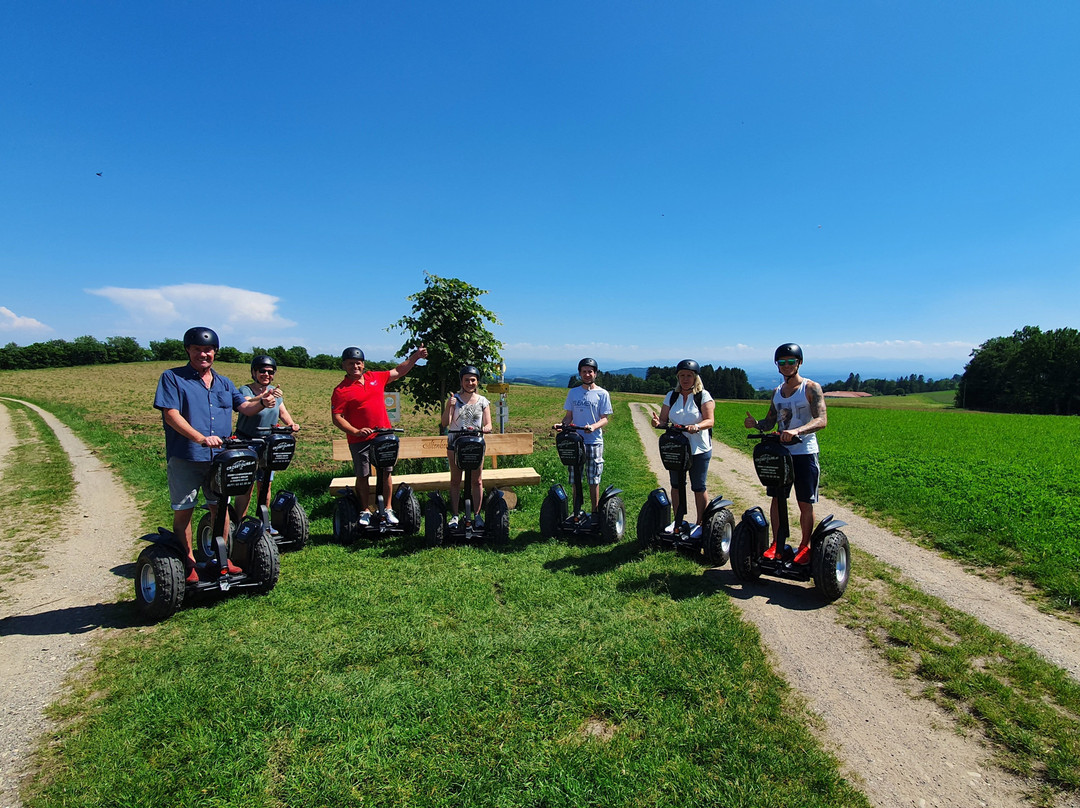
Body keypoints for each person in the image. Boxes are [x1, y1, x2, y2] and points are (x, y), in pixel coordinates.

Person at [153, 327, 278, 583]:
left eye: (208, 350)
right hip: (187, 455)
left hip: (219, 459)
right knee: (184, 509)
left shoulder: (223, 382)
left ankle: (223, 559)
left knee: (220, 508)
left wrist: (261, 402)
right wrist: (200, 438)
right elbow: (171, 414)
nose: (203, 354)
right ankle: (187, 563)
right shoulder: (173, 378)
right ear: (188, 350)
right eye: (197, 349)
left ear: (215, 352)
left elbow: (243, 406)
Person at [743, 342, 828, 565]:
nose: (787, 365)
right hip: (781, 454)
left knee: (804, 501)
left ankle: (804, 546)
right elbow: (771, 421)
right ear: (777, 366)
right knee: (777, 498)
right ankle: (777, 544)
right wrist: (756, 424)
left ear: (799, 363)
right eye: (782, 362)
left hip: (804, 452)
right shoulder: (777, 393)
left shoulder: (811, 388)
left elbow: (822, 420)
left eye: (791, 362)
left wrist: (797, 430)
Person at [331, 343, 428, 525]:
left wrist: (416, 356)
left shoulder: (375, 378)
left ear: (364, 364)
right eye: (351, 363)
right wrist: (355, 431)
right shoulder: (341, 390)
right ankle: (365, 510)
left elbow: (398, 371)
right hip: (359, 439)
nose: (356, 367)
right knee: (363, 475)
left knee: (386, 473)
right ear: (344, 365)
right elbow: (337, 417)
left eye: (359, 363)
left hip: (383, 436)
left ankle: (389, 509)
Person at [232, 354, 300, 524]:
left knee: (265, 484)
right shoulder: (245, 390)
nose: (266, 375)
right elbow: (245, 402)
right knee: (246, 485)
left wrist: (292, 424)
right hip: (247, 442)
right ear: (254, 372)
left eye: (270, 372)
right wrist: (264, 397)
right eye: (262, 371)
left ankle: (263, 521)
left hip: (268, 444)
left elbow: (282, 412)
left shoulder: (276, 393)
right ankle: (240, 522)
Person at [650, 359, 715, 538]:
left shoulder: (703, 395)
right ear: (678, 377)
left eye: (689, 376)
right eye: (682, 376)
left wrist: (698, 426)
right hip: (677, 447)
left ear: (695, 377)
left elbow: (710, 420)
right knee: (676, 485)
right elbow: (663, 420)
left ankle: (701, 523)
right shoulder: (672, 395)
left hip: (698, 448)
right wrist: (657, 423)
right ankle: (678, 520)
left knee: (698, 486)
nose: (685, 379)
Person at [558, 358, 613, 514]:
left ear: (595, 373)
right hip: (575, 442)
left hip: (594, 441)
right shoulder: (573, 392)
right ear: (580, 373)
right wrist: (562, 425)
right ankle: (576, 511)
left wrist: (593, 427)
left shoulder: (602, 394)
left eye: (590, 371)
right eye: (584, 371)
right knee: (576, 478)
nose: (587, 374)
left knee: (593, 478)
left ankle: (595, 512)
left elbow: (605, 418)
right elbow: (569, 416)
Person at [440, 365, 492, 528]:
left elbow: (488, 423)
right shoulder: (454, 399)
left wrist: (487, 428)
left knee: (477, 480)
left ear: (477, 381)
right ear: (461, 381)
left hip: (475, 443)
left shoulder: (483, 401)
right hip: (456, 442)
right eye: (466, 380)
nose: (470, 383)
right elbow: (445, 423)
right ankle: (455, 515)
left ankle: (477, 514)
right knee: (455, 480)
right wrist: (449, 405)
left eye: (473, 380)